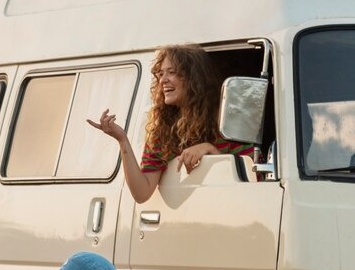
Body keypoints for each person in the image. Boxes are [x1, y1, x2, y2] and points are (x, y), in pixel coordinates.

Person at [87, 43, 255, 203]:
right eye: (161, 74)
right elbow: (142, 193)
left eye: (171, 72)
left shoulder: (228, 122)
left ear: (193, 78)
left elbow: (254, 178)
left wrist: (210, 150)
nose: (162, 80)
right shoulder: (162, 130)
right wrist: (122, 140)